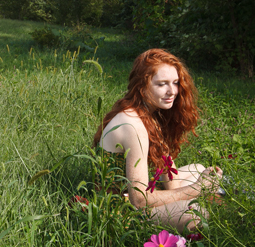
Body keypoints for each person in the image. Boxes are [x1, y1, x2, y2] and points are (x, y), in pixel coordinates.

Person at [92, 48, 222, 232]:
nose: (172, 91)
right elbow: (139, 200)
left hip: (132, 194)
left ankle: (210, 195)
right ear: (142, 86)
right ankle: (212, 201)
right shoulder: (133, 126)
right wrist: (196, 190)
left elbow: (167, 169)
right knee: (197, 214)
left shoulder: (148, 113)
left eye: (175, 83)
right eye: (162, 84)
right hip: (119, 209)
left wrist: (195, 185)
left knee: (198, 170)